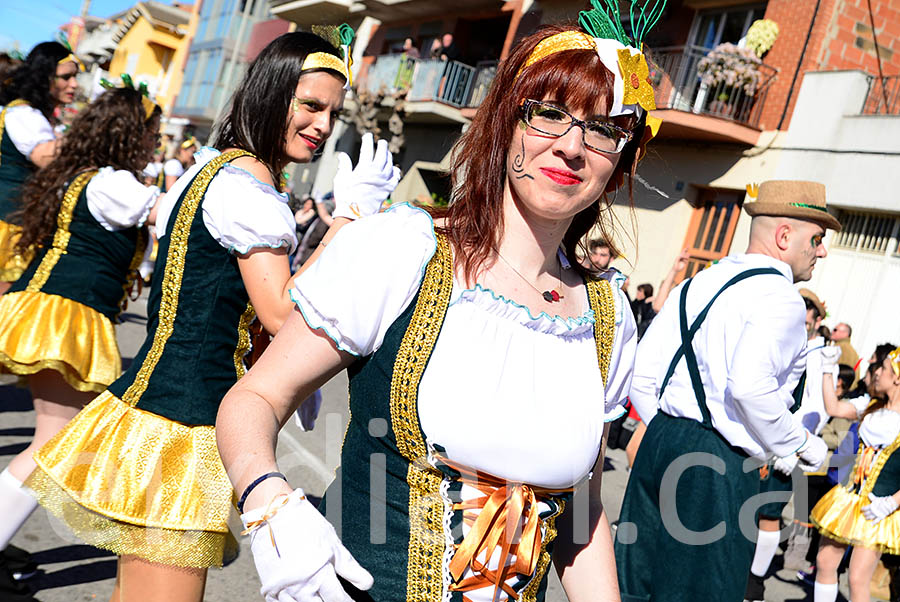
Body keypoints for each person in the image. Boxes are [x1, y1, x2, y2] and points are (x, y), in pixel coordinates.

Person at [217, 7, 666, 600]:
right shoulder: (403, 251)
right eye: (549, 115)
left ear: (617, 164)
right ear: (507, 125)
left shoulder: (606, 315)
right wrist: (270, 503)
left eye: (603, 130)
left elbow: (580, 509)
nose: (571, 147)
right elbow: (255, 397)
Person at [26, 29, 399, 602]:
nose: (323, 125)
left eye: (333, 112)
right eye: (311, 105)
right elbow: (280, 312)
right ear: (272, 94)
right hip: (184, 422)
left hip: (158, 411)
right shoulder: (248, 188)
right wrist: (346, 222)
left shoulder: (219, 172)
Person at [619, 180, 841, 602]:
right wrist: (802, 444)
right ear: (783, 236)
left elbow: (643, 375)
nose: (822, 251)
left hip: (660, 439)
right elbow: (750, 387)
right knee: (705, 591)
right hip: (717, 463)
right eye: (817, 239)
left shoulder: (698, 282)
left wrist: (671, 427)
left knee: (637, 585)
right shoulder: (782, 297)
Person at [0, 83, 162, 602]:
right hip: (65, 315)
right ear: (129, 136)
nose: (155, 144)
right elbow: (176, 214)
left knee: (64, 440)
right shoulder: (114, 184)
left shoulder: (84, 177)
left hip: (49, 308)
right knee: (53, 440)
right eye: (151, 135)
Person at [744, 287, 831, 602]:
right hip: (758, 438)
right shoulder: (782, 337)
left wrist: (793, 446)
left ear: (816, 319)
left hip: (788, 442)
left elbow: (817, 407)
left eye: (809, 310)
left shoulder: (820, 354)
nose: (804, 314)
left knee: (768, 515)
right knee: (741, 511)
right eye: (802, 306)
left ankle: (754, 583)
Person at [812, 346, 900, 602]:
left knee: (858, 578)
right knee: (826, 562)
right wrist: (828, 370)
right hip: (851, 499)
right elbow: (834, 407)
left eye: (883, 368)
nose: (876, 372)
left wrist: (891, 503)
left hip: (881, 505)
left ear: (897, 376)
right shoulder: (871, 406)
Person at [0, 41, 80, 294]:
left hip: (21, 221)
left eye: (75, 77)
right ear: (44, 77)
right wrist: (89, 133)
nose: (74, 84)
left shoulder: (35, 115)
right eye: (65, 77)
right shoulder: (24, 114)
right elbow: (47, 159)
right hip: (9, 223)